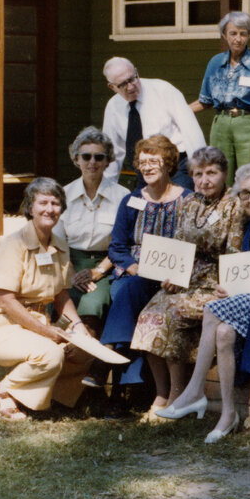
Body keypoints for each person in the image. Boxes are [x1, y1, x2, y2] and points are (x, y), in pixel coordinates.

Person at [158, 162, 250, 443]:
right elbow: (248, 274)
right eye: (244, 193)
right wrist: (230, 289)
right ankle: (228, 414)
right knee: (223, 332)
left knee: (211, 308)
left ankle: (195, 390)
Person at [130, 146, 244, 407]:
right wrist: (172, 274)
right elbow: (179, 244)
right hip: (186, 277)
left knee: (172, 315)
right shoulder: (190, 202)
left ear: (225, 174)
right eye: (198, 174)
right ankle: (161, 392)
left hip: (215, 282)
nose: (204, 180)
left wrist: (226, 286)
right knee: (149, 314)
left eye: (212, 173)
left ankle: (177, 395)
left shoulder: (234, 205)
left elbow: (234, 253)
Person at [0, 178, 93, 420]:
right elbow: (6, 300)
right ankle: (5, 390)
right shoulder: (13, 244)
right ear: (30, 207)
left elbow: (60, 294)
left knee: (84, 349)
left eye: (56, 203)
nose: (50, 209)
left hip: (37, 321)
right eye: (43, 202)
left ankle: (53, 397)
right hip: (0, 324)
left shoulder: (59, 244)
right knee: (50, 353)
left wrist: (78, 326)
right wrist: (46, 332)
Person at [101, 134, 191, 415]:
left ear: (168, 163)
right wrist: (132, 266)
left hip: (172, 278)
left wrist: (178, 274)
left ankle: (106, 366)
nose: (147, 167)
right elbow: (116, 247)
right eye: (142, 163)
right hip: (135, 272)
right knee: (129, 289)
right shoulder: (131, 201)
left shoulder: (188, 200)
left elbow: (194, 244)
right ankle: (128, 389)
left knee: (129, 296)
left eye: (154, 161)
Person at [52, 127, 130, 389]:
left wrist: (98, 271)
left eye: (99, 157)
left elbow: (123, 243)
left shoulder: (122, 197)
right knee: (62, 304)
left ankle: (82, 384)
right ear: (76, 159)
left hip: (107, 265)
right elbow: (57, 242)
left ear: (108, 161)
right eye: (86, 157)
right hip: (68, 264)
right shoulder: (63, 195)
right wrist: (72, 273)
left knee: (93, 303)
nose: (92, 163)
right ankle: (61, 380)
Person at [189, 11, 250, 186]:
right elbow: (204, 101)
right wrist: (176, 112)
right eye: (233, 33)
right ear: (224, 35)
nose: (238, 39)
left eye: (243, 34)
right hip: (221, 124)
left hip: (249, 124)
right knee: (218, 174)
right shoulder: (215, 62)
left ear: (249, 35)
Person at [101, 56, 204, 190]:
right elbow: (112, 150)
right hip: (144, 171)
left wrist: (200, 173)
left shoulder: (163, 90)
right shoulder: (113, 107)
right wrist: (107, 188)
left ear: (136, 72)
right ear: (112, 87)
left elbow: (191, 132)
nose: (130, 87)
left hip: (175, 167)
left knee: (179, 206)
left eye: (132, 79)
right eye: (122, 84)